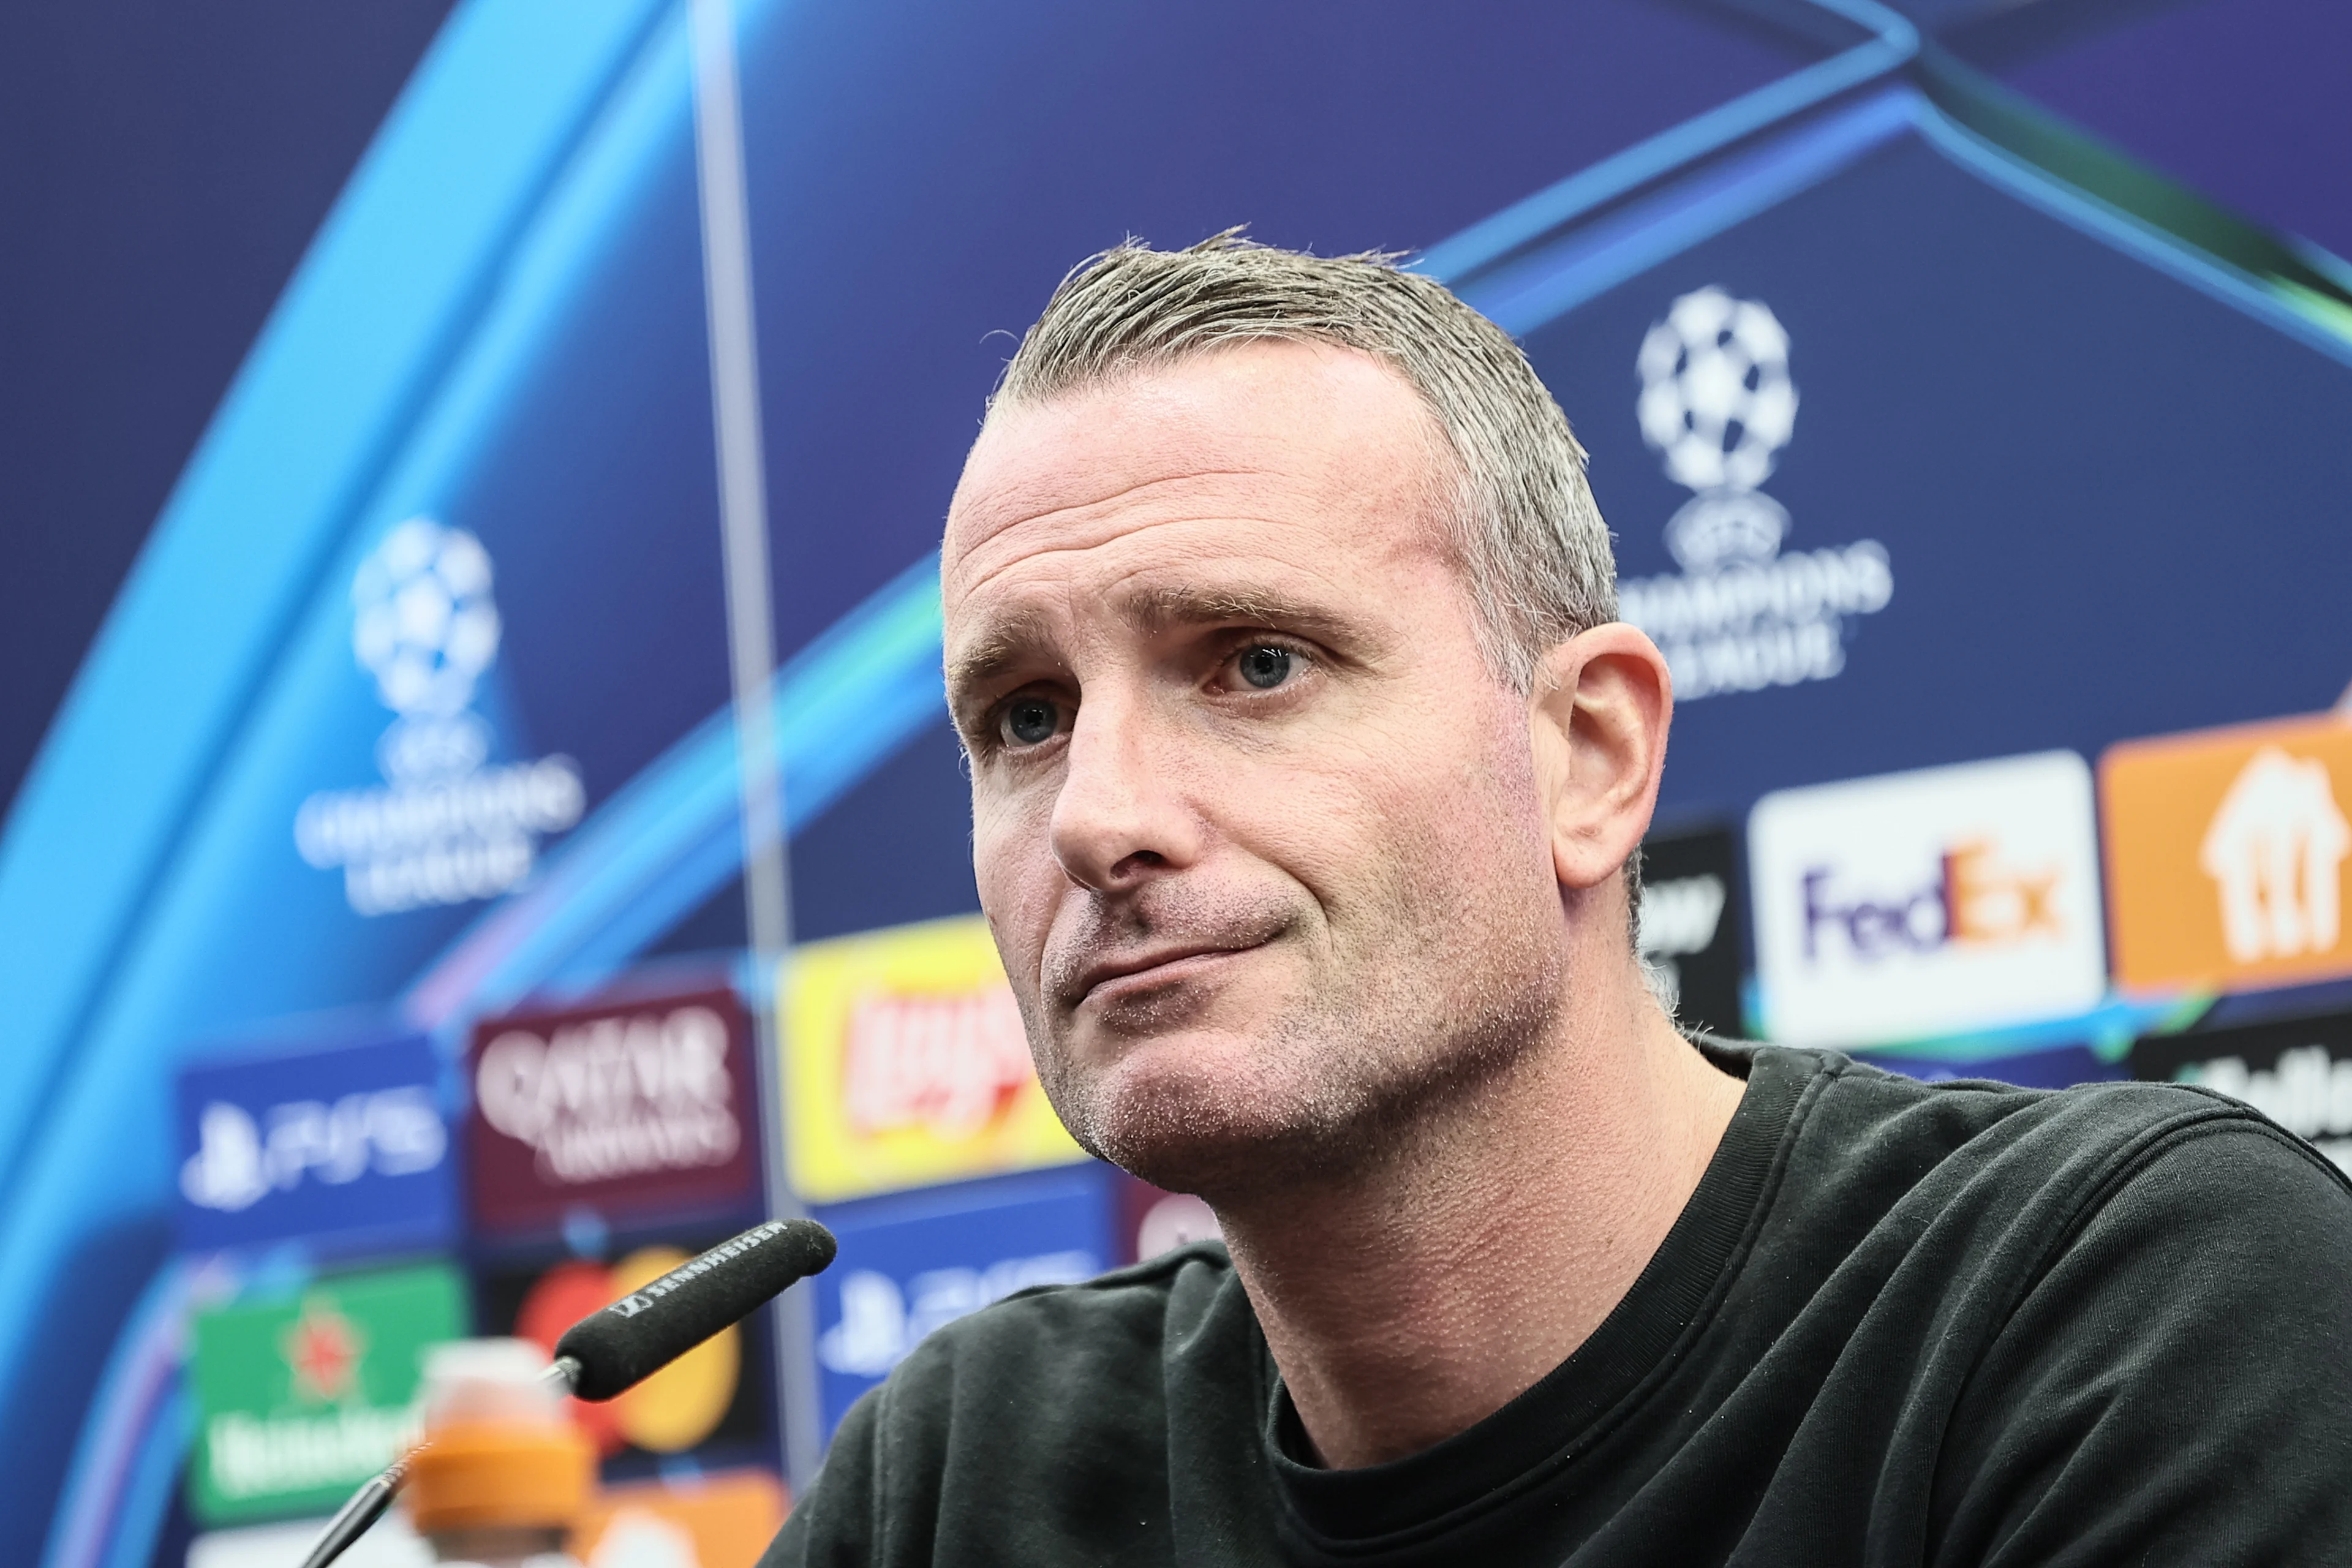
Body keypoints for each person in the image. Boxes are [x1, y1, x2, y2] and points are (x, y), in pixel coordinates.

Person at [764, 235, 2352, 1566]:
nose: (1102, 814)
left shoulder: (2117, 1317)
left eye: (1256, 663)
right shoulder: (959, 1484)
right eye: (1025, 717)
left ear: (1588, 756)